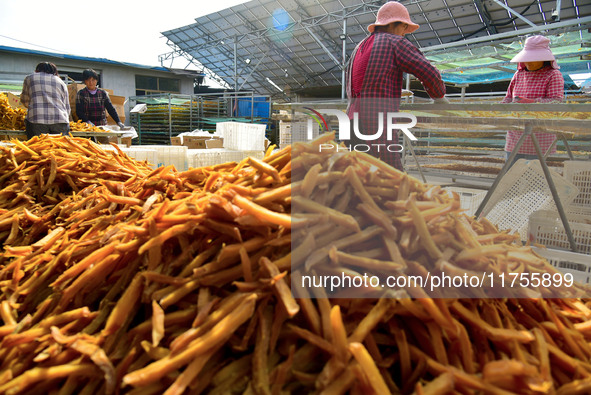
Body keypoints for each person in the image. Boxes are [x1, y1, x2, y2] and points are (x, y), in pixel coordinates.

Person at [346, 1, 446, 171]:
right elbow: (428, 71)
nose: (404, 34)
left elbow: (368, 82)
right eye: (403, 28)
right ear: (393, 24)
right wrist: (439, 96)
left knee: (358, 176)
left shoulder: (359, 47)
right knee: (392, 178)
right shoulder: (394, 42)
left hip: (351, 123)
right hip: (377, 125)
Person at [502, 35, 564, 166]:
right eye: (527, 59)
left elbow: (556, 103)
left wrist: (531, 103)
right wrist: (498, 111)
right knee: (511, 176)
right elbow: (508, 98)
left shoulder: (553, 75)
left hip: (540, 136)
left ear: (544, 59)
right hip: (516, 134)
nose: (529, 62)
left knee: (537, 177)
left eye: (533, 59)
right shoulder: (519, 74)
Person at [20, 62, 71, 139]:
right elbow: (67, 107)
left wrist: (35, 105)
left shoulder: (30, 78)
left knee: (37, 148)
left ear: (37, 70)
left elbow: (24, 100)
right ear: (54, 71)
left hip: (37, 120)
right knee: (59, 148)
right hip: (60, 120)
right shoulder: (61, 82)